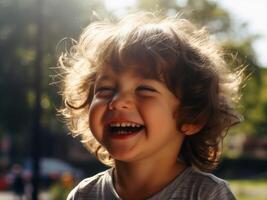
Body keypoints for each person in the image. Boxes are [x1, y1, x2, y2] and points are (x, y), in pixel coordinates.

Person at [58, 12, 243, 200]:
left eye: (145, 89)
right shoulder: (83, 195)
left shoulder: (207, 195)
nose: (118, 101)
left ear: (191, 116)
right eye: (105, 89)